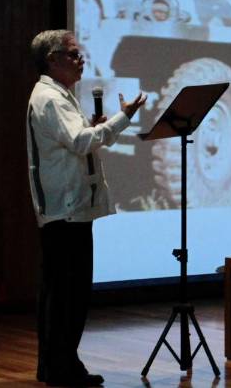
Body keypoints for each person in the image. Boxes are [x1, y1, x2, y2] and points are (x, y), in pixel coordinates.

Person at [26, 30, 145, 386]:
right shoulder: (50, 98)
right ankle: (60, 368)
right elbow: (80, 142)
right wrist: (122, 118)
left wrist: (94, 129)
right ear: (52, 59)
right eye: (74, 54)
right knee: (67, 294)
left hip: (69, 207)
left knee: (63, 291)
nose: (81, 61)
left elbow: (74, 139)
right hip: (66, 209)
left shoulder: (56, 94)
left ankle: (58, 365)